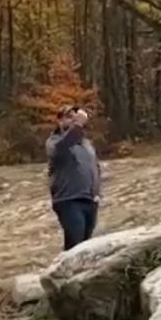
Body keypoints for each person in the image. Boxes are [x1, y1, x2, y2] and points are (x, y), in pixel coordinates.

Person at [46, 105, 102, 251]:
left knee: (86, 247)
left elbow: (95, 168)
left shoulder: (86, 143)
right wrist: (78, 124)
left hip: (89, 200)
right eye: (70, 117)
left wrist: (97, 193)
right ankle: (65, 273)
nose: (74, 120)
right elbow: (62, 148)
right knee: (75, 246)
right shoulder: (54, 142)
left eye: (76, 116)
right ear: (60, 121)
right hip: (68, 200)